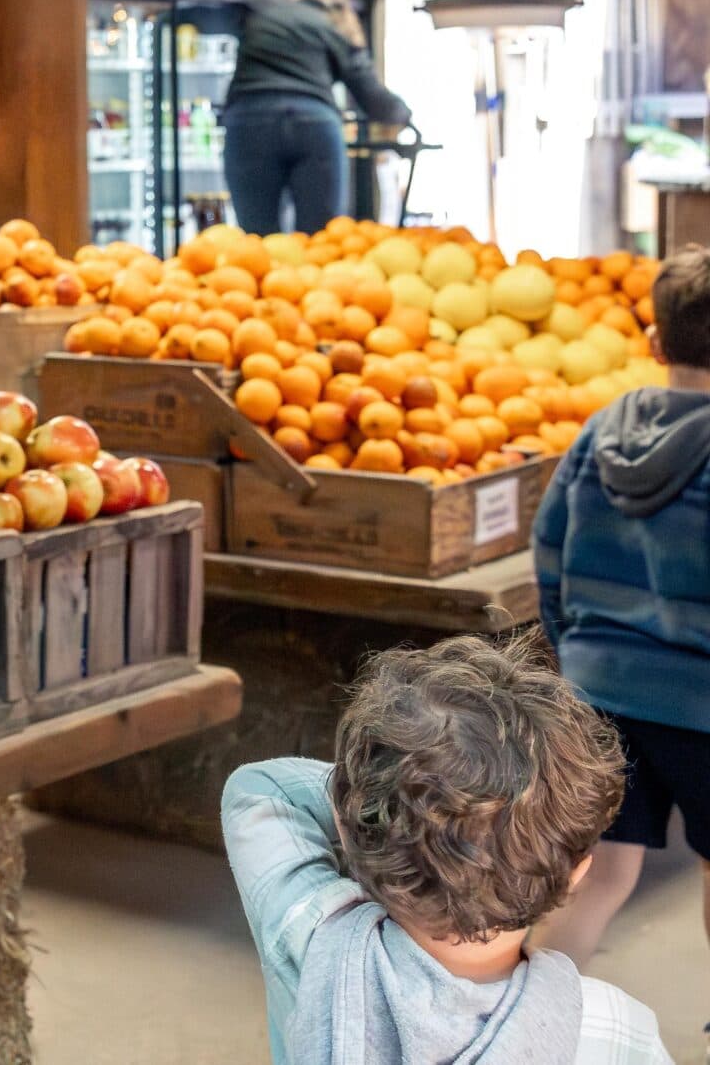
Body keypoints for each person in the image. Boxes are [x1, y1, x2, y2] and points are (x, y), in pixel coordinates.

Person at [223, 634, 671, 1064]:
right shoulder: (619, 1030)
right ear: (575, 875)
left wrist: (381, 800)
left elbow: (264, 787)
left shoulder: (312, 939)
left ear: (349, 823)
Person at [534, 245, 710, 976]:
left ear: (655, 342)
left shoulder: (602, 430)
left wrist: (575, 656)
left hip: (599, 694)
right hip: (701, 706)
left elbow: (548, 551)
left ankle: (526, 1022)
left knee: (598, 874)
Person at [223, 0, 411, 235]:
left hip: (249, 123)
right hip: (314, 124)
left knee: (257, 239)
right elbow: (373, 97)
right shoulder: (333, 26)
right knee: (321, 238)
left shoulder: (262, 16)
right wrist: (403, 114)